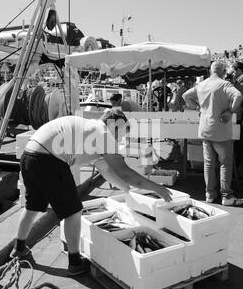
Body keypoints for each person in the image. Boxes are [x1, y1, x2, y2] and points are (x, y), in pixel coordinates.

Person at [10, 109, 172, 275]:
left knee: (32, 208)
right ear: (113, 125)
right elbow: (125, 172)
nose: (120, 139)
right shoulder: (102, 133)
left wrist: (127, 191)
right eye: (121, 133)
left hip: (30, 156)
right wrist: (157, 188)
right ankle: (75, 262)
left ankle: (19, 248)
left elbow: (106, 170)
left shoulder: (91, 130)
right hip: (49, 160)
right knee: (73, 212)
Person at [183, 61, 243, 206]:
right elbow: (239, 96)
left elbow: (186, 96)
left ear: (211, 71)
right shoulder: (225, 85)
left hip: (205, 130)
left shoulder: (201, 85)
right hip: (221, 131)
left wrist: (197, 107)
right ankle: (226, 196)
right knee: (225, 163)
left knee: (209, 163)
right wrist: (230, 111)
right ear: (223, 71)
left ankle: (210, 194)